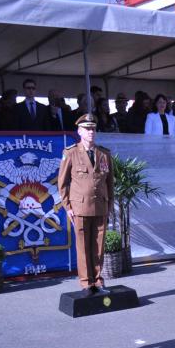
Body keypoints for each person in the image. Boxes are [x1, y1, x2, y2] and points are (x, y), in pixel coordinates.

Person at [58, 114, 115, 295]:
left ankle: (98, 281)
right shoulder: (71, 153)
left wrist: (110, 206)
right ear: (79, 131)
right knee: (83, 247)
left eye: (93, 129)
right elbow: (62, 183)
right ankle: (86, 283)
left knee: (98, 246)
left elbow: (109, 183)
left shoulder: (104, 154)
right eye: (87, 129)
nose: (91, 132)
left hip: (100, 206)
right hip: (80, 208)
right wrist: (68, 207)